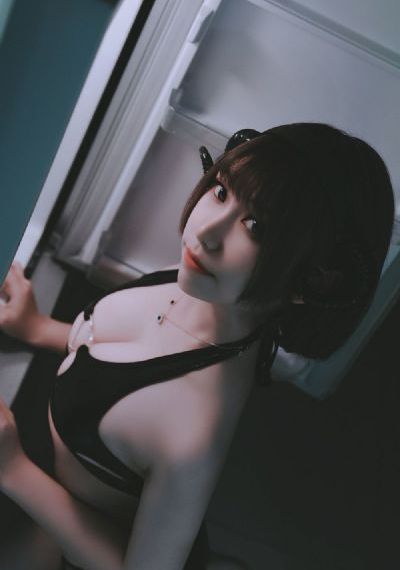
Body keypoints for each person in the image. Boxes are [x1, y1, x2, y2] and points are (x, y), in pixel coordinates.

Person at [0, 122, 395, 570]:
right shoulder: (210, 289)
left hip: (71, 540)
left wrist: (13, 469)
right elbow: (106, 355)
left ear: (309, 283)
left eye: (255, 227)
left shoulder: (190, 433)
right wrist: (39, 328)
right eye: (222, 191)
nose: (206, 230)